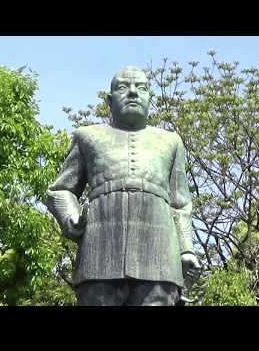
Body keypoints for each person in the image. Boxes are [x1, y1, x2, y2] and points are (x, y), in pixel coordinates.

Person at [46, 66, 199, 306]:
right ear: (109, 100)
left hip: (159, 253)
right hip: (99, 251)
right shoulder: (86, 136)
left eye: (141, 88)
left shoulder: (171, 142)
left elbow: (180, 203)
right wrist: (71, 217)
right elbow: (61, 190)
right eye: (122, 87)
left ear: (150, 97)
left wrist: (186, 249)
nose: (132, 93)